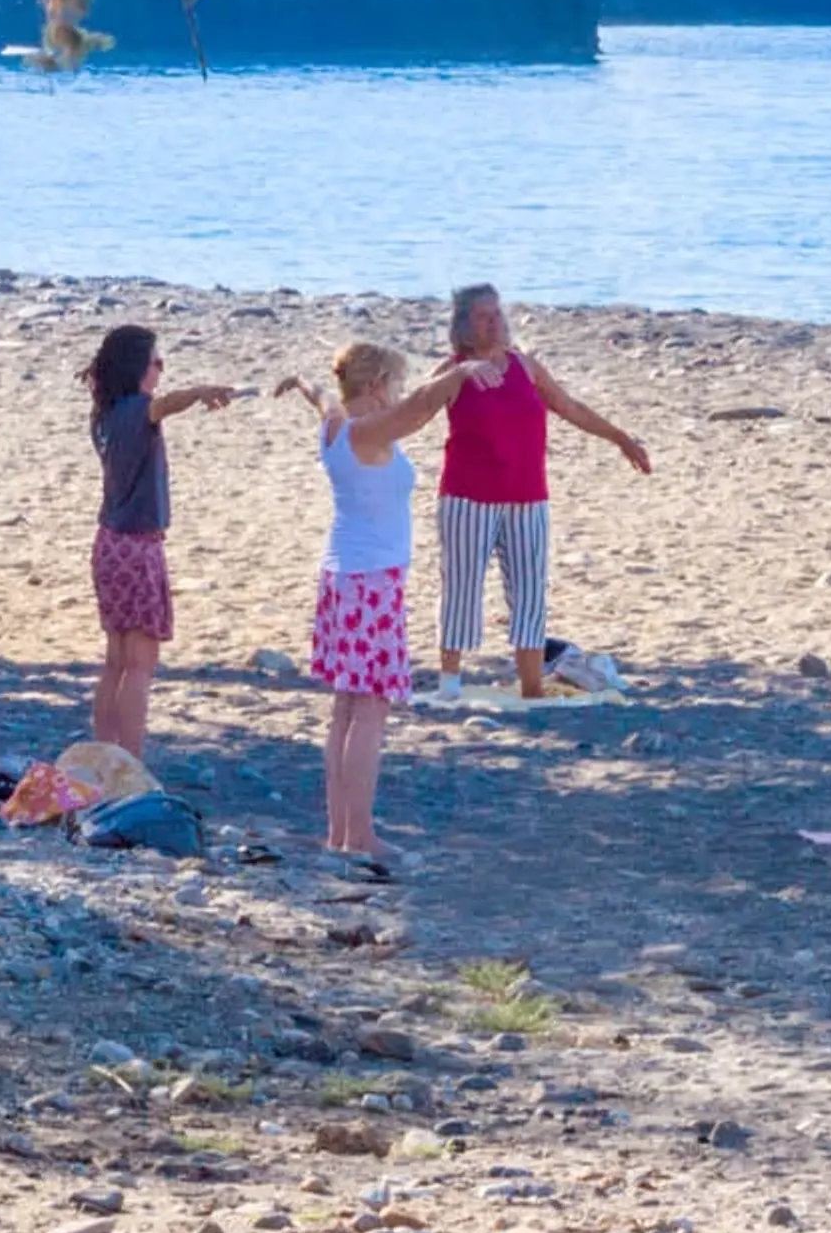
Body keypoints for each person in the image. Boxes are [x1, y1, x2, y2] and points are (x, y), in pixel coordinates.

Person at [271, 342, 468, 867]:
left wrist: (301, 384)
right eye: (393, 385)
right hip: (370, 583)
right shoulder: (365, 431)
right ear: (377, 384)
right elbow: (419, 410)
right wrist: (463, 372)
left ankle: (341, 831)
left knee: (346, 707)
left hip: (344, 577)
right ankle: (358, 835)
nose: (397, 395)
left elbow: (324, 399)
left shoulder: (336, 424)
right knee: (370, 709)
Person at [430, 284, 651, 701]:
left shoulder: (524, 367)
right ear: (463, 324)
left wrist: (620, 438)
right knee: (461, 587)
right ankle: (449, 683)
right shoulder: (454, 370)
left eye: (497, 314)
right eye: (482, 316)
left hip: (527, 497)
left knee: (530, 592)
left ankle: (532, 687)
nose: (494, 323)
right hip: (467, 497)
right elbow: (411, 410)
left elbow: (569, 407)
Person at [87, 322, 240, 760]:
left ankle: (104, 752)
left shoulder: (104, 412)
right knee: (138, 665)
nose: (160, 370)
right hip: (137, 545)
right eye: (157, 362)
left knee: (116, 660)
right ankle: (129, 759)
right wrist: (198, 392)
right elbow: (163, 405)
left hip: (109, 543)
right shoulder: (136, 409)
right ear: (139, 367)